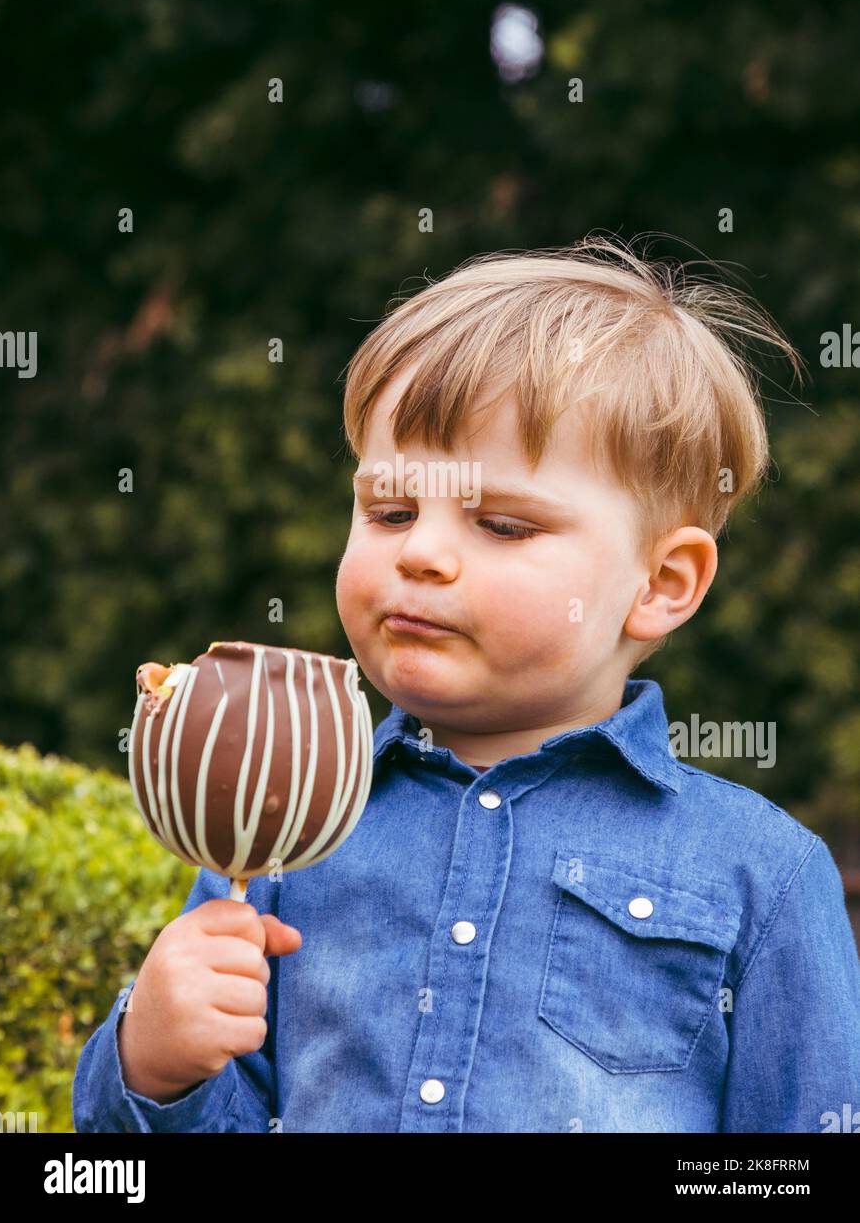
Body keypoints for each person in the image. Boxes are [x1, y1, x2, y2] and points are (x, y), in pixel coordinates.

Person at [73, 236, 860, 1132]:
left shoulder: (761, 875)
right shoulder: (283, 833)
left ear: (661, 584)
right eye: (391, 510)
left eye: (501, 524)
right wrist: (155, 1064)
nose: (420, 552)